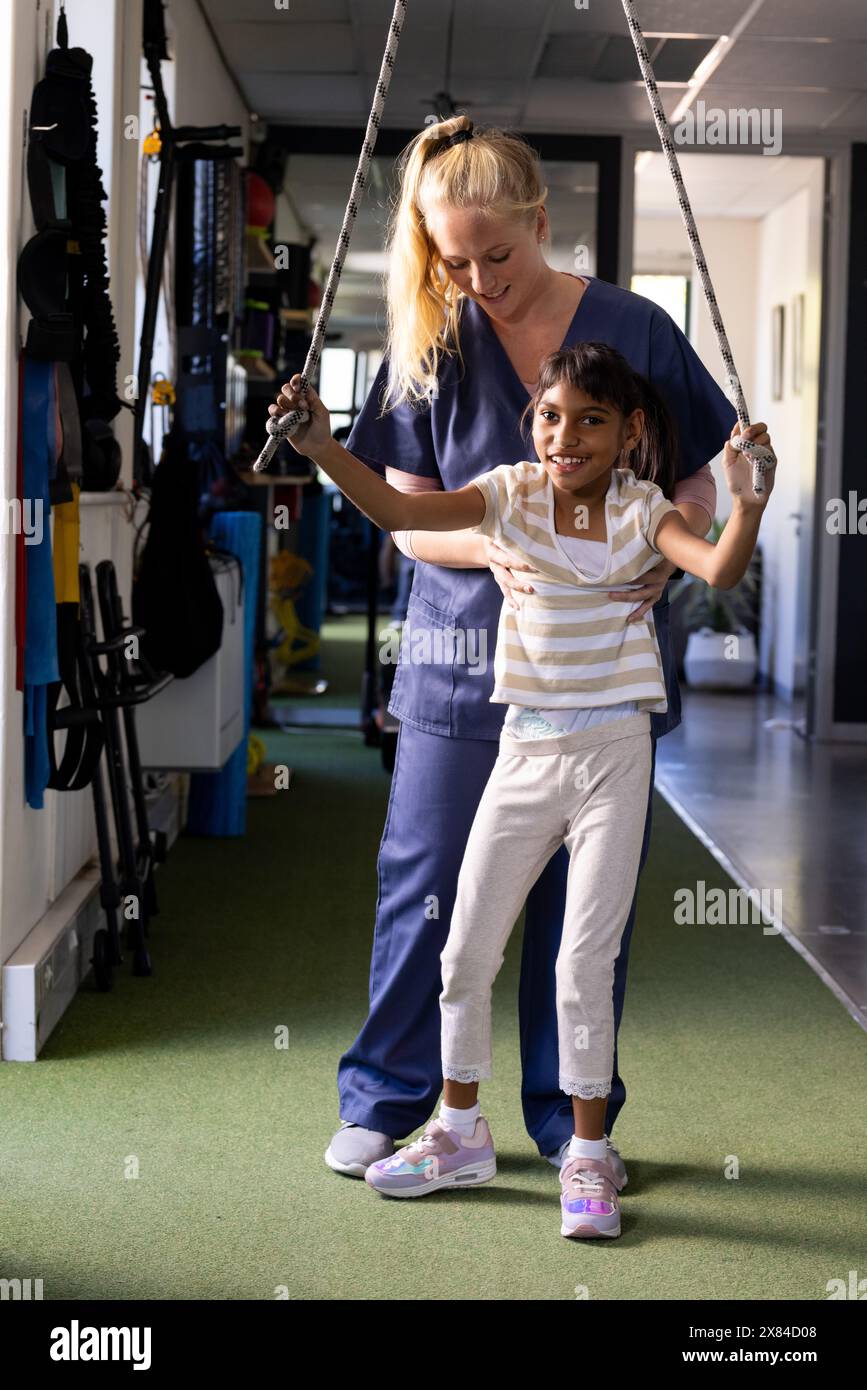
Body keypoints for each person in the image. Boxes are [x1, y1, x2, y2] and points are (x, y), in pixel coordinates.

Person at [269, 116, 766, 1183]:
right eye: (457, 261)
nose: (481, 278)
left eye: (500, 253)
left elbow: (696, 481)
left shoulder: (634, 327)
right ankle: (392, 1096)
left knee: (585, 911)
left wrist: (667, 560)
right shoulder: (434, 341)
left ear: (542, 224)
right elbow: (406, 512)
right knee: (430, 883)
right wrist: (498, 546)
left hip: (602, 662)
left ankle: (567, 1118)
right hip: (459, 650)